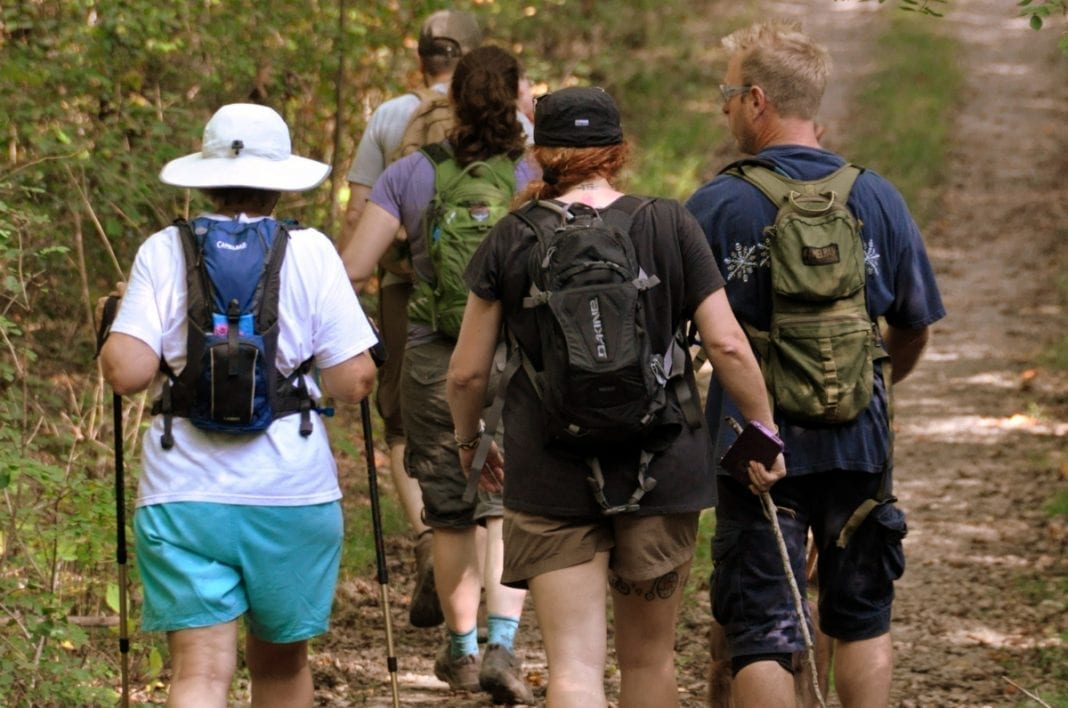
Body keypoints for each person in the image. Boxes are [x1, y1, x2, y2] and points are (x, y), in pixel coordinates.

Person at [446, 86, 784, 707]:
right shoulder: (667, 221)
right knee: (648, 661)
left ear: (539, 152)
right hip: (661, 464)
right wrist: (763, 430)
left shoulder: (510, 236)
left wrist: (471, 443)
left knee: (573, 668)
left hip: (548, 470)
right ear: (619, 151)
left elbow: (466, 374)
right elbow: (728, 345)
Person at [685, 20, 945, 707]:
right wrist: (869, 383)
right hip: (860, 440)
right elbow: (915, 324)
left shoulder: (716, 205)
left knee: (763, 629)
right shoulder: (878, 197)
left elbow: (677, 335)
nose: (725, 106)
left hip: (758, 447)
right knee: (861, 617)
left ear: (759, 99)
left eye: (730, 92)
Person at [98, 103, 379, 706]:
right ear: (282, 183)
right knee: (280, 670)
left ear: (204, 175)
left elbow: (126, 372)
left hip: (183, 496)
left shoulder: (162, 250)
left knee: (198, 674)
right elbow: (352, 382)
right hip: (290, 494)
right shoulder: (313, 252)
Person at [340, 45, 536, 703]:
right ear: (516, 100)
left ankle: (460, 651)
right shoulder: (532, 176)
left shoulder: (410, 174)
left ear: (450, 101)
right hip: (515, 356)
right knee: (504, 504)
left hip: (433, 356)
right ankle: (504, 644)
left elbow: (354, 267)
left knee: (451, 510)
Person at [338, 8, 484, 630]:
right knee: (486, 406)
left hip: (408, 289)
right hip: (489, 296)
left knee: (402, 419)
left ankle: (431, 541)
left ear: (421, 58)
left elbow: (359, 221)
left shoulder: (390, 117)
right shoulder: (508, 116)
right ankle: (482, 572)